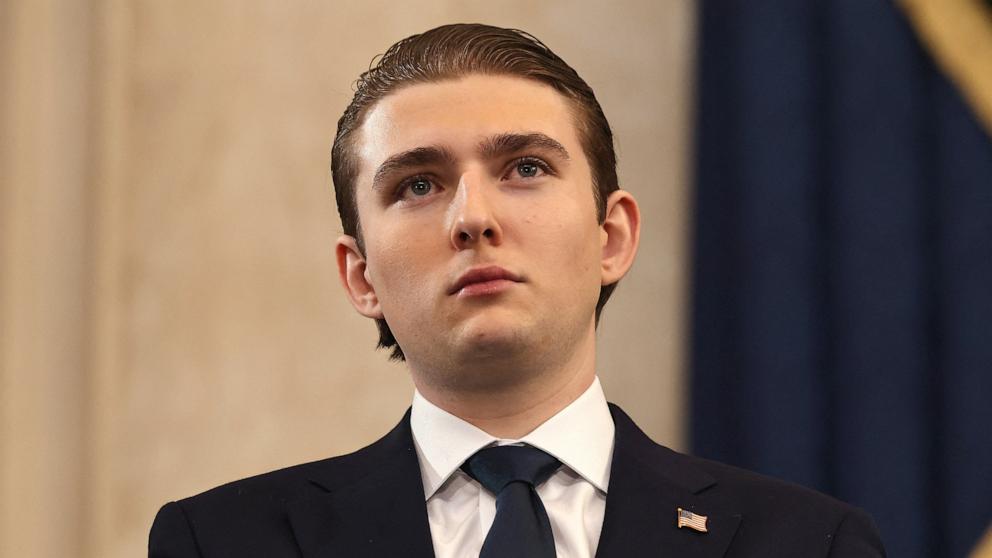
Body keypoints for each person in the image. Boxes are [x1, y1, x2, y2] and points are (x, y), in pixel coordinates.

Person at [149, 23, 886, 557]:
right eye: (418, 184)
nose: (473, 216)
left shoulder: (806, 543)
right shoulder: (222, 542)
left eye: (526, 168)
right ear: (361, 275)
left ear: (612, 236)